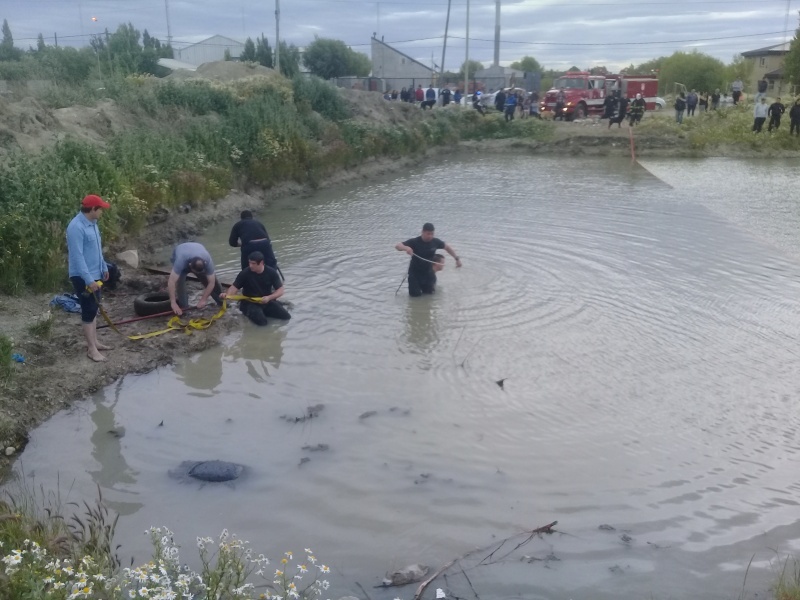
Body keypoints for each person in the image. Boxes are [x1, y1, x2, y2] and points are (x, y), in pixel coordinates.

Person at [66, 194, 112, 362]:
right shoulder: (76, 227)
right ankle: (91, 350)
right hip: (82, 276)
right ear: (92, 209)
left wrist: (104, 266)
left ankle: (95, 342)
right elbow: (77, 257)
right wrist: (89, 280)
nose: (102, 212)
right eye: (100, 209)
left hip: (96, 273)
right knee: (88, 310)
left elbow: (97, 249)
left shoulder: (93, 223)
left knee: (94, 309)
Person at [220, 251, 290, 326]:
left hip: (266, 301)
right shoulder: (245, 273)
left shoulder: (271, 272)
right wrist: (226, 295)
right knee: (263, 323)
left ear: (261, 263)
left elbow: (280, 290)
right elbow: (234, 288)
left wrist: (269, 297)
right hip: (249, 303)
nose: (250, 266)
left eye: (253, 263)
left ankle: (266, 312)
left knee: (286, 317)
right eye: (249, 263)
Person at [395, 223, 462, 297]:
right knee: (415, 297)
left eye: (432, 234)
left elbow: (447, 248)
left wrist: (456, 258)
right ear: (422, 232)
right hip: (415, 274)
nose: (430, 236)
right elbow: (398, 246)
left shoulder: (435, 242)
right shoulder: (414, 241)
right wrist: (406, 248)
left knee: (429, 297)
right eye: (428, 234)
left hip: (429, 273)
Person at [168, 241, 222, 316]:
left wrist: (203, 299)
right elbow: (171, 281)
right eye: (195, 272)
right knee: (180, 285)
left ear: (204, 264)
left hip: (197, 248)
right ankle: (184, 309)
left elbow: (211, 282)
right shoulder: (180, 261)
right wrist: (173, 302)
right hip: (181, 251)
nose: (197, 274)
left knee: (210, 281)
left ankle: (221, 301)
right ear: (190, 265)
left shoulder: (207, 260)